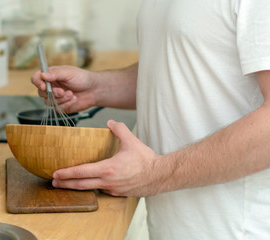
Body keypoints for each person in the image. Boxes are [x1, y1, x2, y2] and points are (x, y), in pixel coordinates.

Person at [31, 0, 270, 239]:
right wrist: (98, 88)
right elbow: (180, 66)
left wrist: (154, 173)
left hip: (237, 229)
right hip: (174, 225)